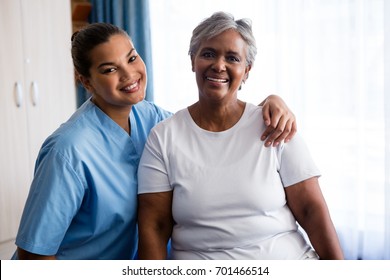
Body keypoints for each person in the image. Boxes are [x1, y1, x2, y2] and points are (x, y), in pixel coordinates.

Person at [11, 22, 296, 260]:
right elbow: (33, 255)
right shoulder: (68, 151)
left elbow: (212, 129)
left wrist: (269, 105)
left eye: (132, 58)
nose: (129, 74)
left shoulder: (154, 119)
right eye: (109, 69)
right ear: (86, 81)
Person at [137, 12, 344, 260]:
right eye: (208, 54)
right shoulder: (163, 137)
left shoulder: (275, 124)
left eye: (232, 58)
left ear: (246, 70)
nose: (219, 65)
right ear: (193, 60)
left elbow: (312, 210)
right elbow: (155, 226)